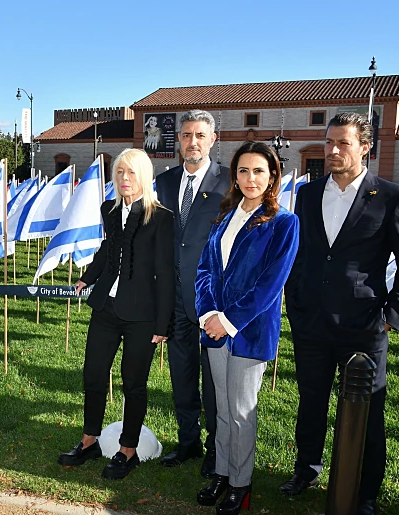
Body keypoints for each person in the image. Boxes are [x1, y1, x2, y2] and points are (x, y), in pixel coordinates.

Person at [282, 113, 399, 515]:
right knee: (311, 401)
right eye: (329, 142)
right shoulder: (308, 194)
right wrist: (296, 303)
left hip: (364, 326)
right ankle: (306, 469)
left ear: (365, 147)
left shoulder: (392, 197)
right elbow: (301, 254)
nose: (333, 150)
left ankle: (365, 491)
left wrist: (390, 317)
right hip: (311, 323)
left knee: (367, 411)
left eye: (342, 143)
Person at [194, 142, 299, 514]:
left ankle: (241, 485)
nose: (250, 178)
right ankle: (222, 474)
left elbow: (270, 285)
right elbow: (206, 270)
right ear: (234, 176)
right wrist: (208, 313)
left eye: (258, 171)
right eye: (243, 170)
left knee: (241, 412)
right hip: (214, 329)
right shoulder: (225, 216)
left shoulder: (284, 223)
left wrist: (228, 321)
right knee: (222, 410)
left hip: (249, 332)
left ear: (272, 177)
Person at [58, 148, 175, 480]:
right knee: (93, 375)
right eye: (120, 172)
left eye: (131, 173)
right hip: (106, 308)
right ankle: (88, 441)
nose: (125, 178)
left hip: (142, 315)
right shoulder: (108, 208)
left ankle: (128, 450)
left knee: (133, 382)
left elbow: (166, 273)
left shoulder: (161, 217)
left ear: (144, 176)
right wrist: (87, 278)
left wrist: (163, 322)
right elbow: (108, 249)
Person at [155, 110, 231, 477]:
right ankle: (188, 442)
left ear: (213, 139)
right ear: (179, 141)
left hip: (212, 301)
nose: (193, 142)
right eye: (186, 135)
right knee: (181, 376)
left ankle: (217, 448)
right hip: (174, 300)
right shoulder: (164, 182)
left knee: (215, 382)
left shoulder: (229, 182)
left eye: (200, 135)